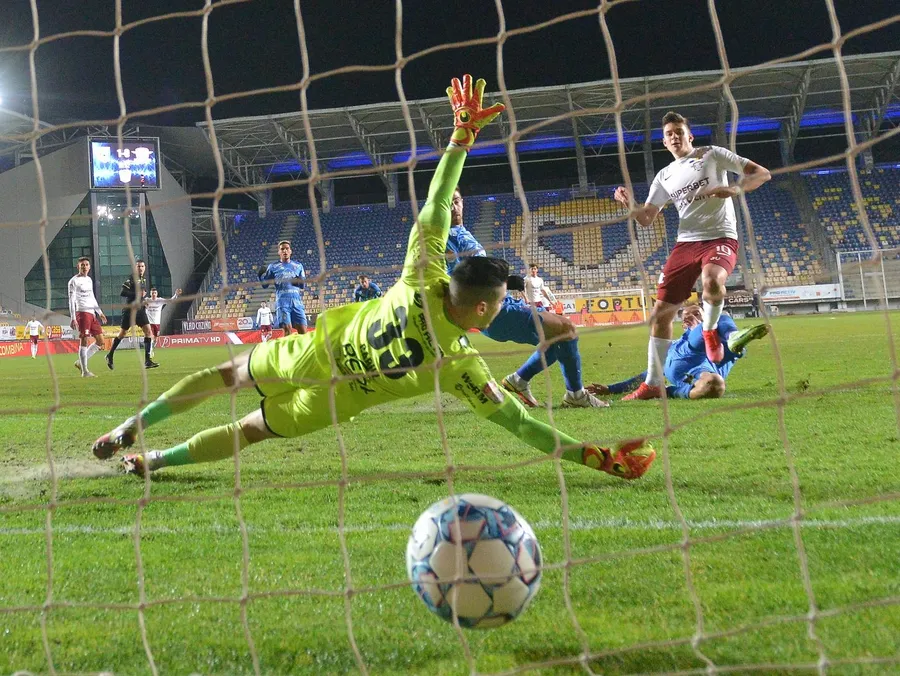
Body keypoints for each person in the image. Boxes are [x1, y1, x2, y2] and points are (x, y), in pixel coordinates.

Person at [91, 74, 654, 482]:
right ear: (484, 310)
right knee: (248, 432)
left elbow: (437, 200)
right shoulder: (461, 366)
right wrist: (598, 458)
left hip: (308, 354)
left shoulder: (419, 276)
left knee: (221, 376)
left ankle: (129, 429)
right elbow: (524, 428)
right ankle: (156, 461)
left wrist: (461, 137)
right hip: (337, 401)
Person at [613, 111, 771, 400]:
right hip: (685, 243)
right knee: (660, 315)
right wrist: (629, 204)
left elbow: (762, 173)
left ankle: (709, 330)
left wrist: (735, 188)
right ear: (664, 142)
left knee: (712, 281)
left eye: (679, 131)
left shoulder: (712, 154)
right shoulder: (664, 176)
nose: (674, 137)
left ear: (690, 135)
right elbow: (646, 218)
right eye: (669, 134)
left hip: (720, 236)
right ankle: (651, 385)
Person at [447, 189, 607, 409]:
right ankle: (576, 395)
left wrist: (502, 281)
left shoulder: (460, 232)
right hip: (493, 312)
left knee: (557, 338)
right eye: (448, 203)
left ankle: (519, 381)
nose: (453, 207)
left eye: (456, 201)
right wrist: (502, 282)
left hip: (501, 304)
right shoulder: (443, 240)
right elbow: (459, 282)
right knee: (567, 329)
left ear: (463, 202)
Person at [588, 305, 768, 400]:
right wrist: (610, 389)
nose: (692, 317)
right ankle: (730, 335)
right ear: (683, 324)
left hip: (703, 360)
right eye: (688, 316)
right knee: (713, 325)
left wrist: (710, 329)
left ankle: (731, 335)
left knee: (715, 383)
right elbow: (648, 375)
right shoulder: (671, 345)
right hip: (684, 357)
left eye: (697, 313)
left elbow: (734, 351)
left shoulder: (716, 342)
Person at [106, 259, 159, 370]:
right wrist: (137, 294)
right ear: (135, 268)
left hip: (140, 310)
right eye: (138, 266)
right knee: (122, 333)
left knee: (148, 332)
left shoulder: (143, 279)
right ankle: (110, 355)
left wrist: (143, 301)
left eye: (142, 266)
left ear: (145, 268)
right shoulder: (131, 278)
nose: (140, 268)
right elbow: (123, 292)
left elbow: (140, 295)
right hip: (129, 310)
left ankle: (147, 361)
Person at [67, 257, 107, 378]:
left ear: (89, 267)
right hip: (82, 313)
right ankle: (85, 371)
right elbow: (71, 300)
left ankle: (80, 362)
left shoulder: (89, 280)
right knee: (84, 339)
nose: (85, 267)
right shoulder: (73, 281)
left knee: (101, 342)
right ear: (78, 267)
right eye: (82, 265)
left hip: (92, 313)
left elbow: (91, 297)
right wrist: (73, 318)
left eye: (86, 264)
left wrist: (99, 312)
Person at [258, 241, 307, 335]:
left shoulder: (298, 266)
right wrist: (260, 276)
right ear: (279, 252)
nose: (285, 251)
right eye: (282, 249)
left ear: (290, 251)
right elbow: (265, 285)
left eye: (287, 248)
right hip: (282, 303)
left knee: (303, 332)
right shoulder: (273, 267)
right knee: (287, 330)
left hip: (296, 302)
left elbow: (302, 286)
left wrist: (298, 281)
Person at [144, 287, 182, 357]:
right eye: (152, 293)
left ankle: (152, 348)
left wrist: (176, 295)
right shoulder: (147, 300)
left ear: (157, 294)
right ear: (150, 294)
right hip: (149, 322)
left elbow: (170, 301)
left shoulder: (160, 300)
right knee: (150, 336)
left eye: (155, 293)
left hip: (157, 323)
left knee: (156, 338)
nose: (153, 294)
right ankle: (150, 351)